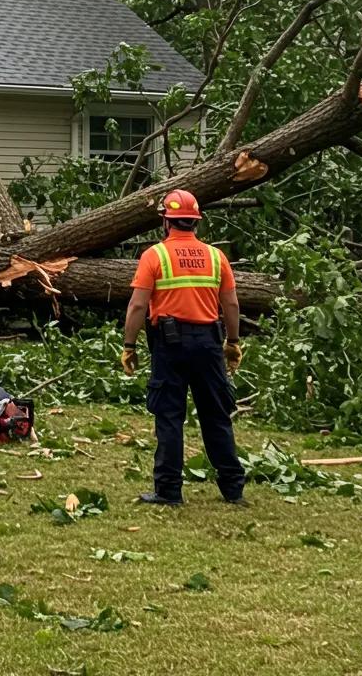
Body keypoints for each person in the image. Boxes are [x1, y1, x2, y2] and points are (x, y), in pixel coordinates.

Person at [122, 189, 246, 506]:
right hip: (208, 344)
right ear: (195, 223)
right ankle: (233, 489)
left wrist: (129, 345)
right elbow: (230, 303)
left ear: (166, 222)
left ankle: (169, 491)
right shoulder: (216, 257)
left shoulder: (155, 256)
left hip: (169, 345)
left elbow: (137, 306)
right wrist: (232, 341)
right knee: (216, 416)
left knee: (169, 417)